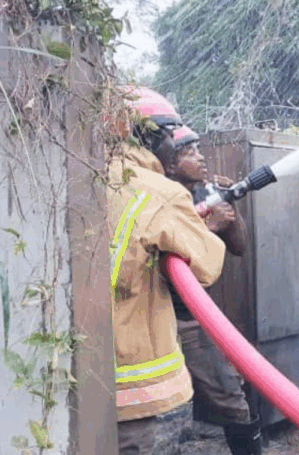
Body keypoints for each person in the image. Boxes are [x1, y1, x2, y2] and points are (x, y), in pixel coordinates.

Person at [108, 86, 227, 455]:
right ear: (152, 137)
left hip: (79, 371)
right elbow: (208, 264)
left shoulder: (84, 174)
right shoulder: (160, 193)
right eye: (171, 136)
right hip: (134, 378)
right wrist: (208, 227)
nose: (175, 146)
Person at [163, 124, 260, 455]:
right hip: (165, 317)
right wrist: (211, 225)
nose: (201, 157)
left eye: (199, 149)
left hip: (195, 318)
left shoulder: (205, 194)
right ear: (169, 164)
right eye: (189, 153)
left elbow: (240, 247)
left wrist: (229, 207)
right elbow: (173, 255)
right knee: (166, 407)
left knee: (232, 397)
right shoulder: (164, 202)